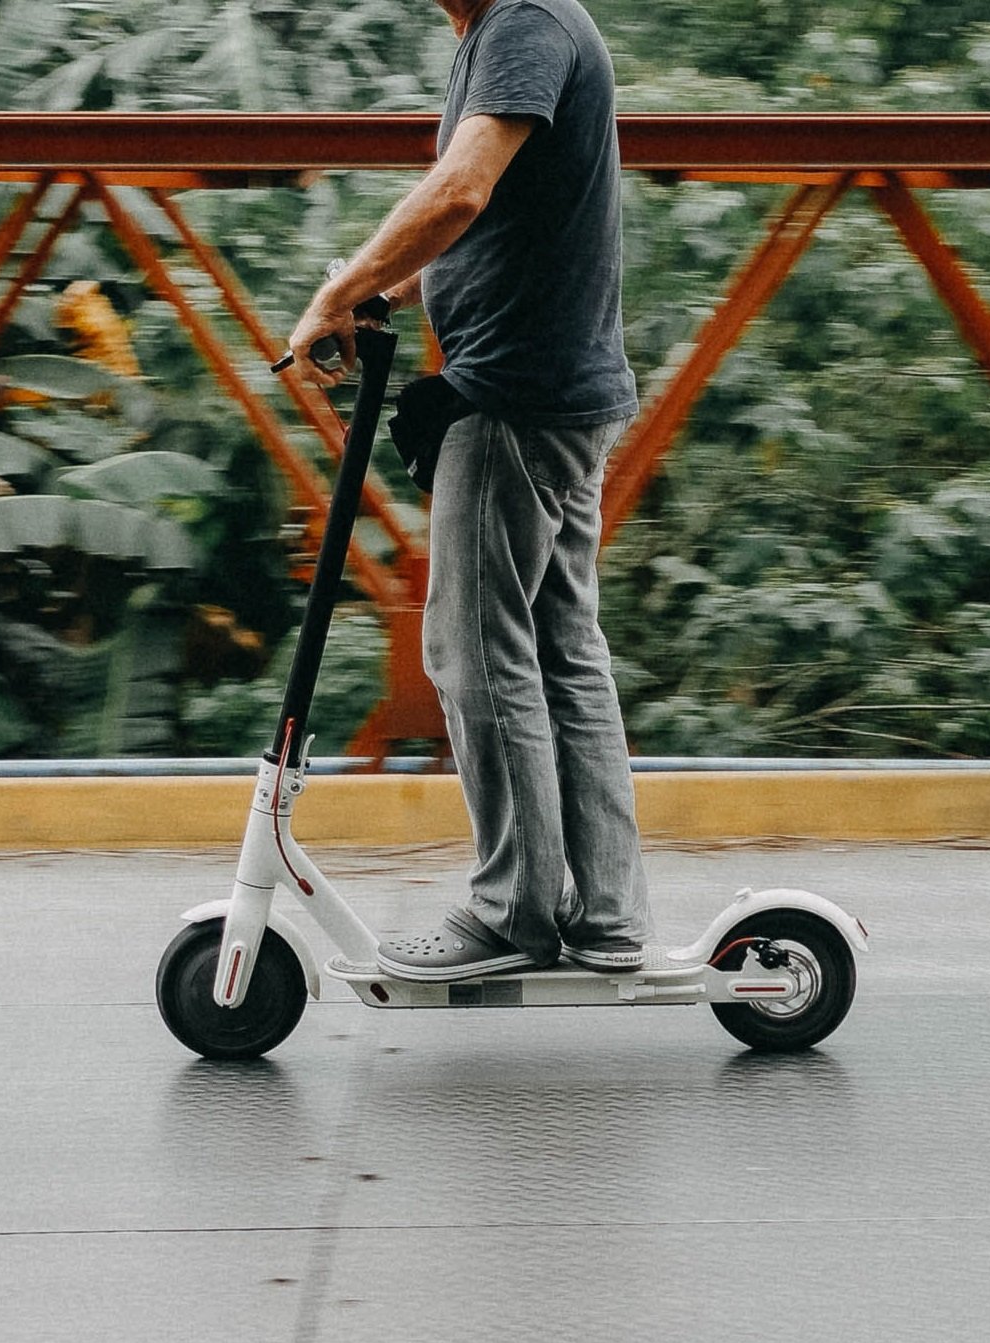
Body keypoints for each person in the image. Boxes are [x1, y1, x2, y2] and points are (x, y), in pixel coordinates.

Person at [287, 0, 650, 981]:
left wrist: (332, 295)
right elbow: (489, 214)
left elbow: (459, 191)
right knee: (560, 646)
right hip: (558, 391)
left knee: (474, 651)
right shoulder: (514, 28)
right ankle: (607, 916)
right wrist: (385, 290)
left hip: (517, 398)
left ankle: (513, 915)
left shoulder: (525, 21)